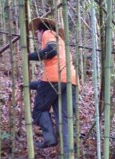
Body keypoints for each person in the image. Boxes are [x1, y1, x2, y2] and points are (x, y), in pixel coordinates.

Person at [28, 17, 78, 156]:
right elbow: (50, 86)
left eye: (36, 33)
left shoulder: (47, 34)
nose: (36, 36)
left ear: (40, 30)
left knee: (39, 109)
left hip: (54, 78)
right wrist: (28, 85)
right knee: (64, 119)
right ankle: (68, 155)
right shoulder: (60, 40)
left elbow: (51, 51)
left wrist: (30, 56)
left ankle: (49, 139)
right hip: (71, 79)